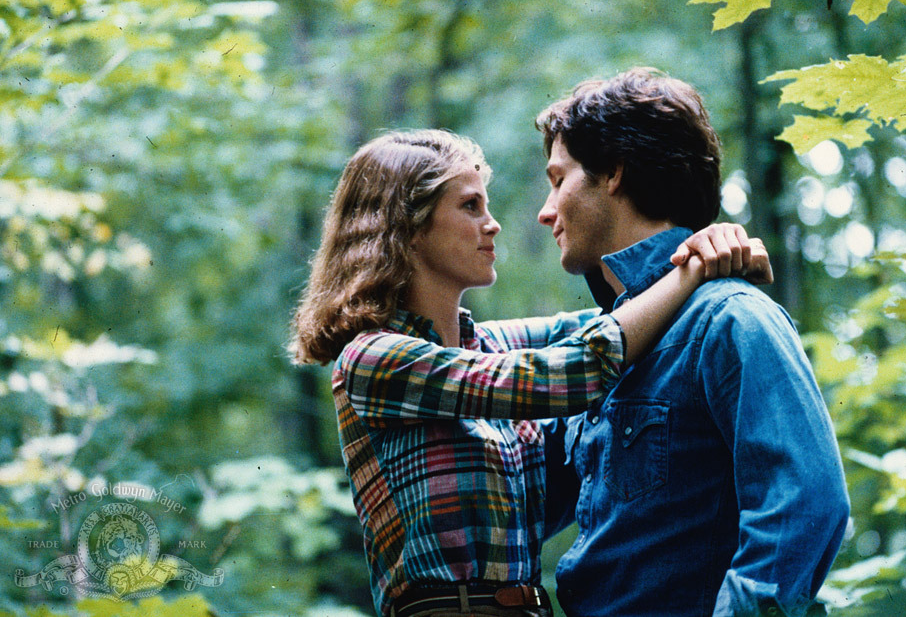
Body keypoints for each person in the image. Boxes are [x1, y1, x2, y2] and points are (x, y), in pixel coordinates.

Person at [290, 129, 772, 617]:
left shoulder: (491, 347)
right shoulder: (372, 360)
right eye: (471, 206)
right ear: (408, 225)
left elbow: (617, 317)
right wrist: (692, 270)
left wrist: (711, 246)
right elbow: (575, 369)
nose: (493, 224)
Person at [535, 68, 850, 617]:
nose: (546, 210)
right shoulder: (599, 353)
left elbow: (807, 506)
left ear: (612, 171)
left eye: (558, 180)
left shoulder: (730, 319)